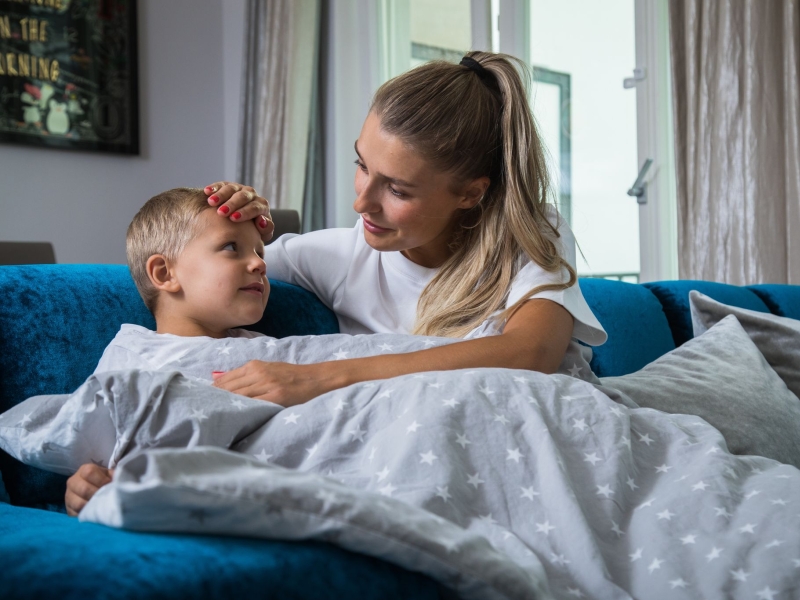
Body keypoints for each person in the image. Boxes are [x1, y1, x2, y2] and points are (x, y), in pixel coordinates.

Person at [204, 51, 606, 407]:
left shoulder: (532, 233)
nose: (360, 203)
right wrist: (227, 223)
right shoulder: (336, 258)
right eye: (362, 165)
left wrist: (322, 377)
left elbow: (531, 352)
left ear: (470, 193)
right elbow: (195, 270)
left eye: (397, 189)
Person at [66, 187, 270, 516]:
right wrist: (82, 487)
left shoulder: (266, 349)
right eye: (232, 247)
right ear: (164, 273)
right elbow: (97, 452)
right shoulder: (133, 354)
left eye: (261, 253)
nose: (259, 263)